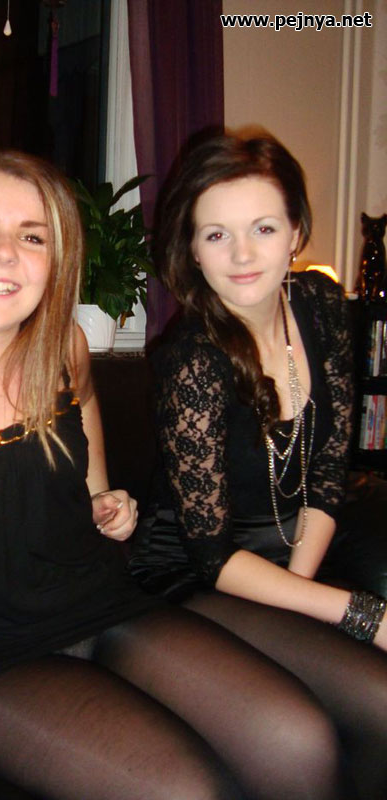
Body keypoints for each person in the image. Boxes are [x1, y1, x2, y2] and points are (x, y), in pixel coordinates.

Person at [0, 147, 354, 800]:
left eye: (33, 237)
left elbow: (92, 485)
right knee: (182, 792)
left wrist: (109, 504)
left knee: (298, 739)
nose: (4, 253)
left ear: (56, 260)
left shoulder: (65, 349)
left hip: (103, 603)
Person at [129, 132, 387, 800]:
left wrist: (299, 590)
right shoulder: (192, 361)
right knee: (331, 721)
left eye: (263, 228)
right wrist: (362, 614)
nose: (242, 255)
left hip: (288, 561)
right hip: (196, 575)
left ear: (296, 232)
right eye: (216, 235)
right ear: (192, 248)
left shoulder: (323, 306)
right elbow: (212, 556)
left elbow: (328, 469)